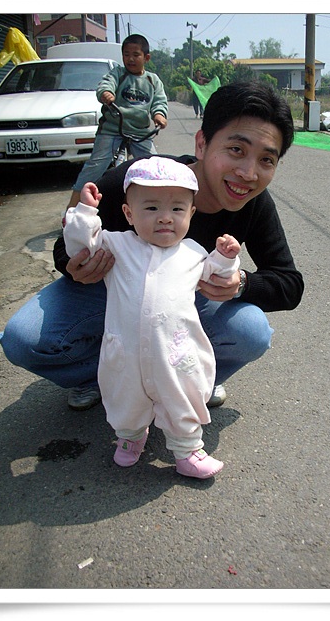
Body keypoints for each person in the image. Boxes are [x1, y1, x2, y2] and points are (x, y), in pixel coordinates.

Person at [0, 81, 304, 414]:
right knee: (23, 339)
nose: (248, 173)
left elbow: (289, 283)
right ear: (202, 144)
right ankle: (105, 378)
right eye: (236, 150)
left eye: (266, 160)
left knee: (251, 332)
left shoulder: (254, 204)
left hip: (186, 300)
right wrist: (75, 265)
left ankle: (193, 379)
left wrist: (240, 283)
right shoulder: (140, 181)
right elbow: (65, 245)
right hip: (113, 290)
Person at [63, 157, 240, 478]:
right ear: (129, 213)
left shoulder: (194, 253)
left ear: (191, 213)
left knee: (181, 400)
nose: (165, 217)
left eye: (177, 209)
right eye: (151, 208)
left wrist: (227, 259)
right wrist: (85, 212)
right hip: (125, 352)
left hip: (176, 353)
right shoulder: (117, 245)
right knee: (125, 398)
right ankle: (130, 437)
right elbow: (80, 245)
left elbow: (218, 274)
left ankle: (188, 450)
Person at [69, 34, 168, 207]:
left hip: (140, 133)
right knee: (95, 166)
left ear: (146, 58)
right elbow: (105, 84)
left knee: (153, 167)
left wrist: (159, 115)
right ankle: (72, 208)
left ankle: (157, 206)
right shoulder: (117, 73)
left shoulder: (153, 80)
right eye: (126, 54)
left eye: (136, 55)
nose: (130, 59)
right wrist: (106, 93)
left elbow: (159, 101)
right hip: (112, 129)